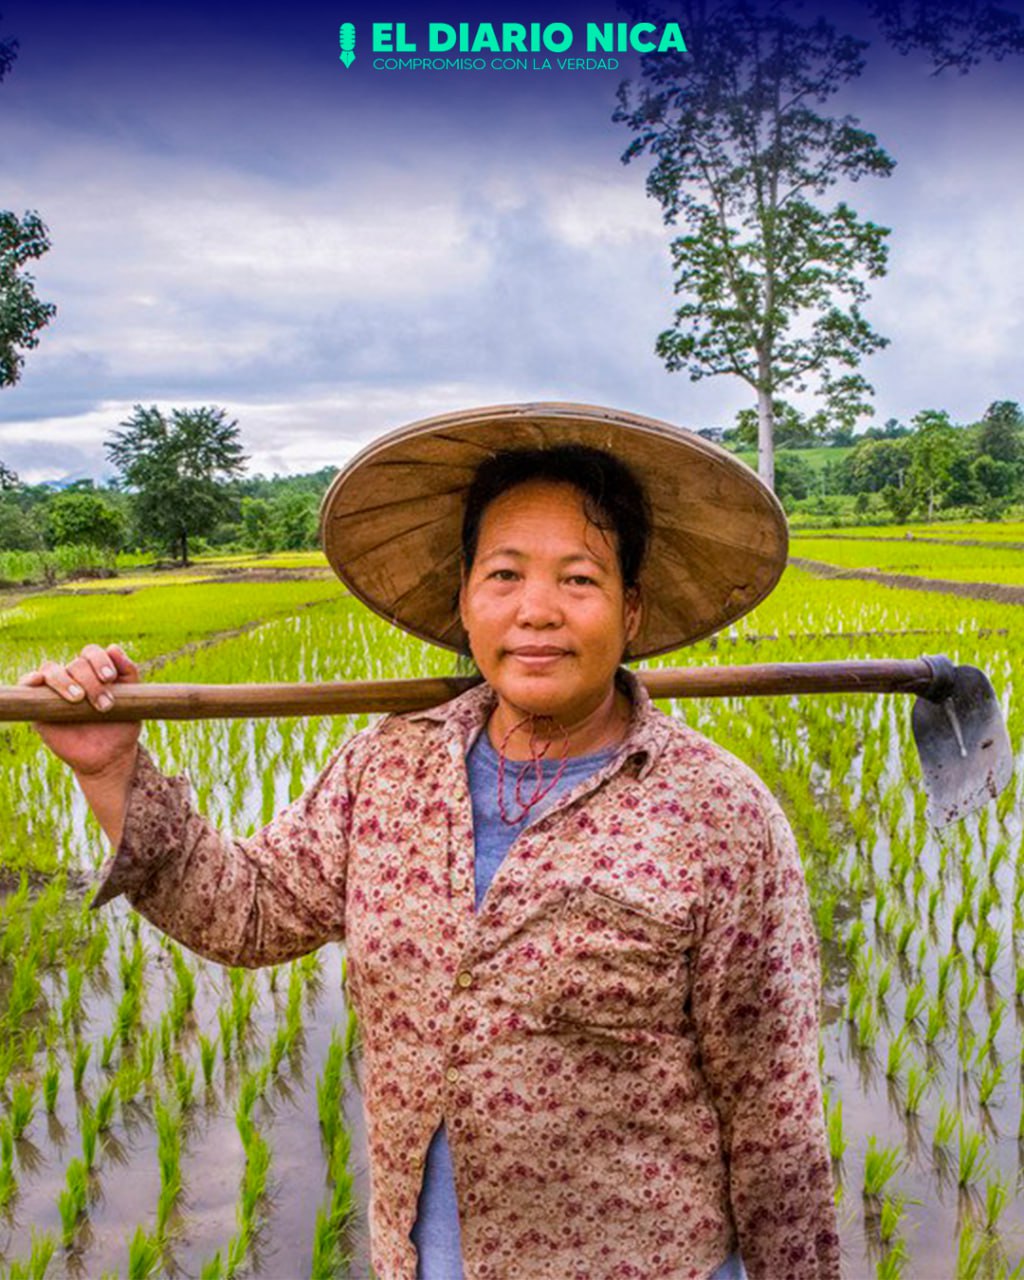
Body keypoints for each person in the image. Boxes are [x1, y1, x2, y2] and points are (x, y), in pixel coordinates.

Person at [22, 403, 840, 1280]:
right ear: (464, 597)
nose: (537, 611)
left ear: (630, 610)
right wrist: (110, 772)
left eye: (580, 580)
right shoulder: (391, 767)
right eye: (504, 575)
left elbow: (773, 1117)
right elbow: (250, 912)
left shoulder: (718, 815)